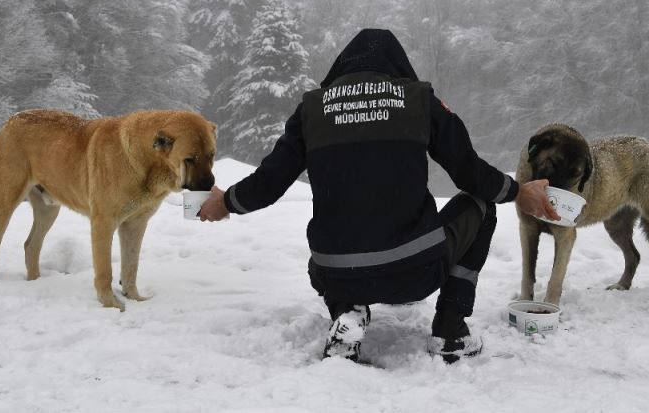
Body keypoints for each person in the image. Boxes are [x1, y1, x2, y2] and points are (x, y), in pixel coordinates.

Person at [199, 28, 558, 363]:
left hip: (336, 275)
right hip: (416, 271)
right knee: (481, 205)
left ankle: (347, 311)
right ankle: (451, 331)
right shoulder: (417, 100)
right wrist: (516, 191)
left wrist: (225, 201)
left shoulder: (313, 109)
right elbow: (469, 172)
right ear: (399, 66)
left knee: (327, 253)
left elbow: (269, 182)